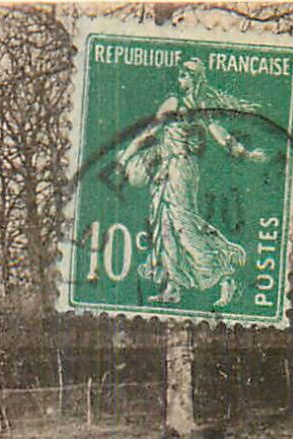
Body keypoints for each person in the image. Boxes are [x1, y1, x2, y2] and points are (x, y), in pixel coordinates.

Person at [115, 57, 269, 308]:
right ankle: (172, 287)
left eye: (187, 75)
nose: (181, 79)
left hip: (183, 170)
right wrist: (126, 156)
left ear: (196, 79)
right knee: (164, 224)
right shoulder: (171, 103)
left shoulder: (200, 105)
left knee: (183, 225)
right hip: (165, 169)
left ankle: (225, 274)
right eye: (180, 74)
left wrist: (245, 153)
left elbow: (220, 134)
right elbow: (150, 133)